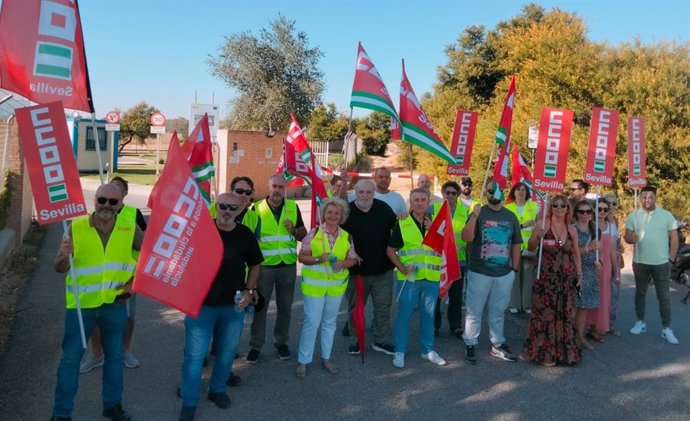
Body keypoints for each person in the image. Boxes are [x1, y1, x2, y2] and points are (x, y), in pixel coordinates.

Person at [51, 183, 142, 421]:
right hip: (81, 308)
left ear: (121, 203)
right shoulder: (77, 226)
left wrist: (134, 284)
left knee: (115, 357)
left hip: (114, 304)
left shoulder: (128, 227)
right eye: (102, 200)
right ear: (95, 200)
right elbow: (59, 268)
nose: (107, 206)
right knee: (70, 359)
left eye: (113, 202)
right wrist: (63, 254)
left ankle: (112, 406)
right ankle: (61, 413)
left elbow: (150, 256)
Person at [178, 193, 263, 421]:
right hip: (201, 305)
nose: (227, 211)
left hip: (233, 307)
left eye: (232, 207)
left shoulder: (244, 234)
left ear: (240, 209)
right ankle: (189, 401)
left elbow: (256, 264)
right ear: (216, 206)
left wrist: (249, 290)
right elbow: (180, 257)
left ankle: (217, 390)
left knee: (226, 353)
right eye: (223, 206)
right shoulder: (201, 230)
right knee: (195, 355)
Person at [79, 176, 146, 373]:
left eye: (115, 193)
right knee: (96, 319)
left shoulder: (134, 215)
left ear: (123, 196)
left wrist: (135, 280)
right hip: (97, 281)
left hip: (125, 280)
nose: (108, 200)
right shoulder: (92, 218)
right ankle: (96, 354)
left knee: (128, 318)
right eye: (103, 196)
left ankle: (125, 350)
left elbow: (148, 249)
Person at [461, 178, 522, 365]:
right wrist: (473, 216)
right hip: (479, 271)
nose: (492, 193)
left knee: (498, 311)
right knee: (474, 310)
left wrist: (514, 270)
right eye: (489, 190)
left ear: (502, 192)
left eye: (495, 190)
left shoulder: (510, 216)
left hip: (503, 273)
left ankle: (498, 344)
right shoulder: (478, 213)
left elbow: (516, 244)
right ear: (485, 193)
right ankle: (470, 343)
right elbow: (466, 237)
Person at [295, 198, 358, 379]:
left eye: (336, 213)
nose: (333, 216)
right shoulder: (314, 233)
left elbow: (352, 259)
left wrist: (343, 263)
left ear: (341, 216)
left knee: (329, 323)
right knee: (312, 322)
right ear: (324, 214)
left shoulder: (346, 236)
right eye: (329, 212)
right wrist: (317, 259)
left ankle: (326, 358)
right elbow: (302, 257)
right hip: (314, 288)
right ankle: (303, 361)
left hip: (335, 288)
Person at [247, 174, 307, 363]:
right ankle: (256, 346)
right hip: (265, 267)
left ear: (286, 188)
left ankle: (281, 342)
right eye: (274, 186)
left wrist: (294, 230)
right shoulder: (257, 208)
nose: (278, 190)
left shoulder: (292, 207)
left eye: (281, 187)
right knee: (260, 308)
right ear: (268, 186)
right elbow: (250, 239)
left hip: (287, 266)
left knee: (285, 308)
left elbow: (303, 235)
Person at [387, 188, 447, 368]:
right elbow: (390, 250)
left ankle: (427, 351)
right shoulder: (403, 222)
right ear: (411, 202)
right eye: (416, 200)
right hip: (409, 278)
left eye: (423, 200)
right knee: (404, 315)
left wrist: (435, 231)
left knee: (428, 315)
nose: (419, 203)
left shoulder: (437, 223)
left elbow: (446, 248)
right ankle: (400, 350)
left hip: (431, 277)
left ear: (428, 202)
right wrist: (402, 268)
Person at [522, 194, 582, 366]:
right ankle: (545, 354)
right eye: (555, 205)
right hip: (545, 279)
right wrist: (536, 237)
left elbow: (576, 253)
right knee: (545, 315)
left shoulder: (571, 229)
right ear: (551, 207)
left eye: (563, 205)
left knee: (565, 313)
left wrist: (580, 275)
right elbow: (530, 246)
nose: (559, 208)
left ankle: (564, 354)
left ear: (567, 208)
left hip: (565, 279)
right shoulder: (543, 224)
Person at [342, 179, 397, 356]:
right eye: (361, 192)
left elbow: (397, 231)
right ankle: (356, 340)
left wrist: (405, 217)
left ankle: (380, 340)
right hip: (356, 271)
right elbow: (340, 239)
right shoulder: (346, 212)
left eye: (368, 192)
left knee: (383, 307)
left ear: (373, 193)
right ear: (355, 192)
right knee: (355, 309)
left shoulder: (384, 209)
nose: (364, 195)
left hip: (383, 270)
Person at [624, 186, 679, 344]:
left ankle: (666, 328)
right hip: (640, 261)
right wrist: (630, 238)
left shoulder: (666, 215)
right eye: (644, 197)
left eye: (650, 197)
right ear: (640, 198)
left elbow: (674, 238)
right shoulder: (633, 215)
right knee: (640, 293)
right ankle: (640, 322)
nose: (646, 200)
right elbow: (627, 236)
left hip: (661, 263)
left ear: (655, 198)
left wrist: (671, 259)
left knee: (664, 297)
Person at [431, 181, 467, 339]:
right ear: (443, 193)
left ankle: (456, 325)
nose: (450, 195)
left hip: (459, 261)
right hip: (439, 260)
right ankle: (434, 326)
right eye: (448, 192)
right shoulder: (433, 209)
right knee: (437, 295)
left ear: (458, 194)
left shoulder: (465, 211)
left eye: (454, 193)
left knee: (456, 296)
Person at [586, 198, 620, 341]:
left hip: (606, 267)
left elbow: (612, 249)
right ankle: (585, 326)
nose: (602, 212)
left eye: (605, 209)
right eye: (599, 209)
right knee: (589, 296)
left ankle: (596, 327)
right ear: (594, 210)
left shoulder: (611, 226)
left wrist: (615, 268)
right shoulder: (589, 225)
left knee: (603, 297)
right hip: (591, 265)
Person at [505, 182, 539, 314]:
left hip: (530, 247)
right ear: (513, 192)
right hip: (514, 247)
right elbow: (506, 227)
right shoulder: (508, 208)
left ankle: (526, 305)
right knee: (514, 275)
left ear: (527, 193)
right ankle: (514, 304)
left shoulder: (534, 206)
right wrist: (522, 226)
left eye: (523, 190)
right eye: (518, 190)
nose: (521, 192)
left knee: (528, 277)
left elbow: (539, 224)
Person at [572, 200, 601, 350]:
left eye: (588, 211)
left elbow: (599, 252)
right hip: (576, 271)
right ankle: (569, 337)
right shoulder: (572, 229)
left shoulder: (595, 229)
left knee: (584, 306)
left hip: (591, 271)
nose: (585, 215)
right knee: (574, 305)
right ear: (576, 213)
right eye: (581, 211)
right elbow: (572, 252)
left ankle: (580, 337)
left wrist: (599, 262)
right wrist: (589, 248)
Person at [602, 193, 623, 336]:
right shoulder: (596, 220)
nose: (611, 206)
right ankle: (597, 324)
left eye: (614, 204)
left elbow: (616, 241)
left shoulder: (615, 221)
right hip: (603, 261)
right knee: (602, 293)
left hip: (615, 260)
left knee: (614, 293)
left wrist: (620, 246)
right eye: (608, 203)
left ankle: (610, 323)